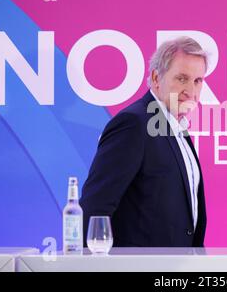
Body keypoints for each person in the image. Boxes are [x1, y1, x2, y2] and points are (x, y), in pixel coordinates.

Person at [80, 36, 207, 247]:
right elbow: (95, 207)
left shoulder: (177, 127)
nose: (191, 91)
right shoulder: (134, 124)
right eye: (182, 78)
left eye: (197, 81)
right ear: (156, 78)